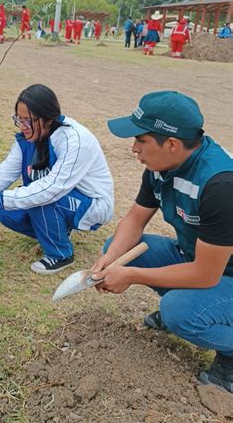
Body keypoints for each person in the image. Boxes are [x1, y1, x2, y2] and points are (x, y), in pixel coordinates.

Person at [91, 91, 233, 393]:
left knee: (179, 312)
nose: (133, 149)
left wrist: (130, 275)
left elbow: (206, 274)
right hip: (197, 259)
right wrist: (112, 259)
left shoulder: (220, 185)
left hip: (221, 274)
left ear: (171, 144)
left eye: (141, 141)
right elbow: (135, 218)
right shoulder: (162, 168)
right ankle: (198, 305)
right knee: (117, 251)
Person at [0, 84, 114, 275]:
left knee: (39, 197)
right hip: (62, 198)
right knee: (6, 212)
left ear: (48, 119)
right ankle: (58, 231)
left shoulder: (74, 139)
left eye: (28, 120)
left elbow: (52, 188)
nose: (22, 126)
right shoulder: (28, 140)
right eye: (19, 119)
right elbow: (4, 174)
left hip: (91, 204)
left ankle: (60, 254)